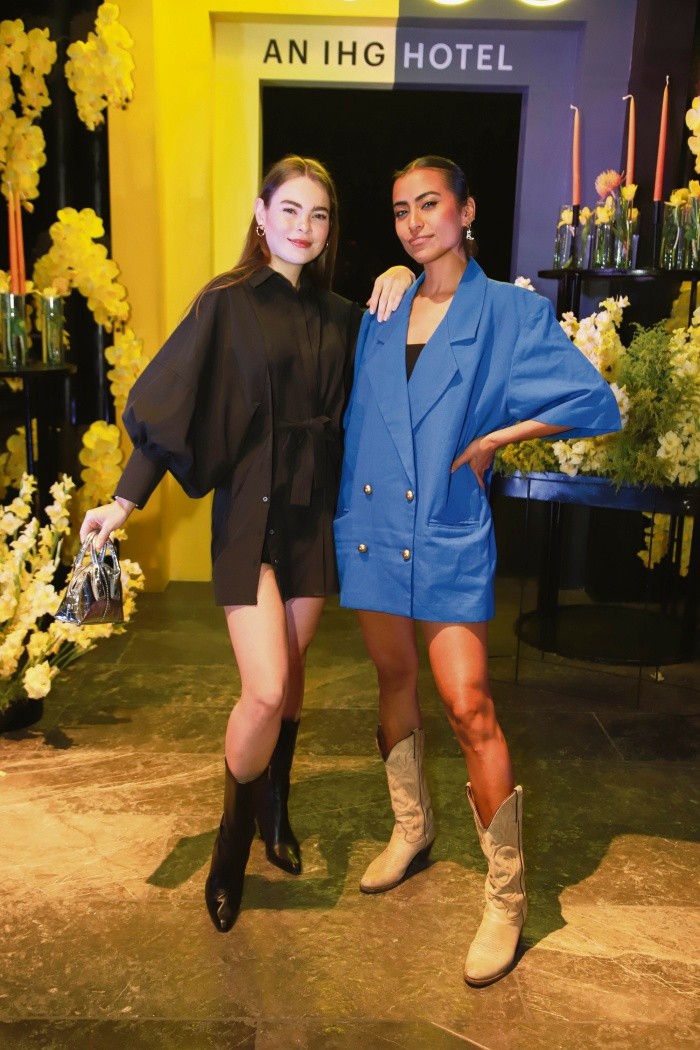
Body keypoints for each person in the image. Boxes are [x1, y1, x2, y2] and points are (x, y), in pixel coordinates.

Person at [79, 155, 414, 933]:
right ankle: (231, 843)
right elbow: (174, 405)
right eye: (289, 210)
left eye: (319, 215)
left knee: (292, 681)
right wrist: (124, 502)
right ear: (261, 215)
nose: (304, 226)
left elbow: (398, 364)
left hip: (314, 516)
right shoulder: (224, 302)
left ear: (330, 229)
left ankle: (275, 809)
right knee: (264, 687)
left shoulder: (342, 315)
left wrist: (403, 270)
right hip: (250, 513)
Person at [333, 155, 621, 986]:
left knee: (469, 706)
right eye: (400, 211)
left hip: (448, 526)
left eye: (429, 205)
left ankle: (506, 897)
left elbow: (593, 401)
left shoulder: (507, 312)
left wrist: (497, 437)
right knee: (393, 679)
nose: (414, 222)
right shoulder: (383, 309)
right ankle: (411, 827)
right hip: (374, 525)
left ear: (466, 211)